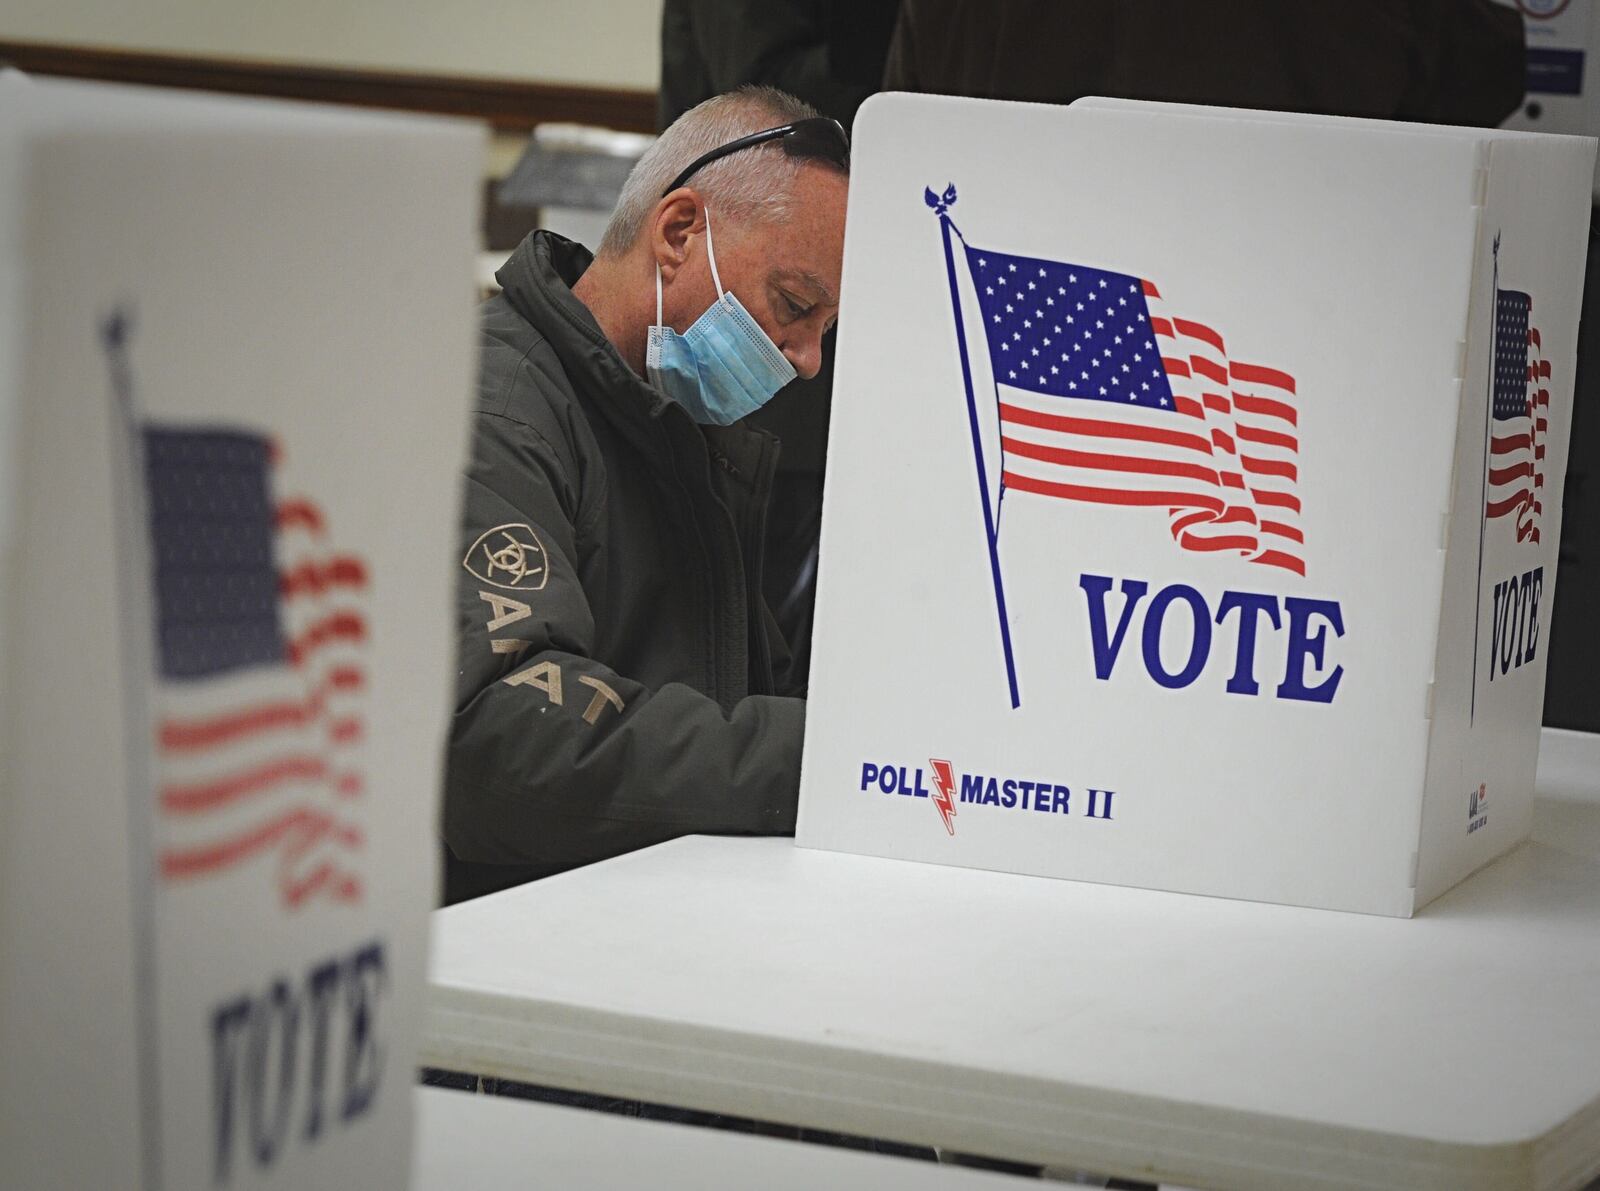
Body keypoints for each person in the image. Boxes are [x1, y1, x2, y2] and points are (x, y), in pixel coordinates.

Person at [441, 87, 849, 903]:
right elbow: (495, 735)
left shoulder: (684, 432)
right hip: (513, 943)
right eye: (796, 304)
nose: (807, 358)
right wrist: (832, 758)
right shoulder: (495, 408)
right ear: (677, 233)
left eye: (825, 327)